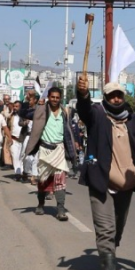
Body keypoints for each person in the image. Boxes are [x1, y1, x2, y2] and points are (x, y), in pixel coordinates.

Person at [76, 77, 135, 270]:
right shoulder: (97, 115)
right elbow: (84, 109)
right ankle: (108, 263)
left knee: (117, 229)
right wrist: (82, 94)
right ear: (105, 97)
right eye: (111, 96)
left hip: (127, 186)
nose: (115, 99)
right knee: (106, 229)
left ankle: (110, 252)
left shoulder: (133, 120)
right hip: (102, 182)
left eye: (119, 95)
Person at [24, 86, 77, 222]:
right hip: (44, 149)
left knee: (60, 180)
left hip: (59, 149)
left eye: (57, 97)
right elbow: (23, 113)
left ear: (60, 98)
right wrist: (28, 100)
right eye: (52, 97)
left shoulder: (65, 112)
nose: (54, 99)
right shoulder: (41, 110)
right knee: (43, 180)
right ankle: (41, 204)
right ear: (48, 97)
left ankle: (60, 209)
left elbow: (68, 130)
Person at [20, 90, 39, 184]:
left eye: (31, 100)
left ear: (35, 100)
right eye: (28, 100)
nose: (30, 101)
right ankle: (26, 171)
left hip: (38, 137)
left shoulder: (39, 111)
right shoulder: (26, 111)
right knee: (27, 157)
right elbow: (20, 120)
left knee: (36, 158)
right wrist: (25, 122)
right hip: (28, 137)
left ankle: (33, 176)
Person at [9, 101, 25, 180]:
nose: (15, 108)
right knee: (15, 157)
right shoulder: (11, 116)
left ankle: (22, 172)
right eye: (14, 106)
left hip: (23, 139)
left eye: (17, 106)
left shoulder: (24, 116)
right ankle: (18, 173)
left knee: (21, 157)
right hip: (13, 139)